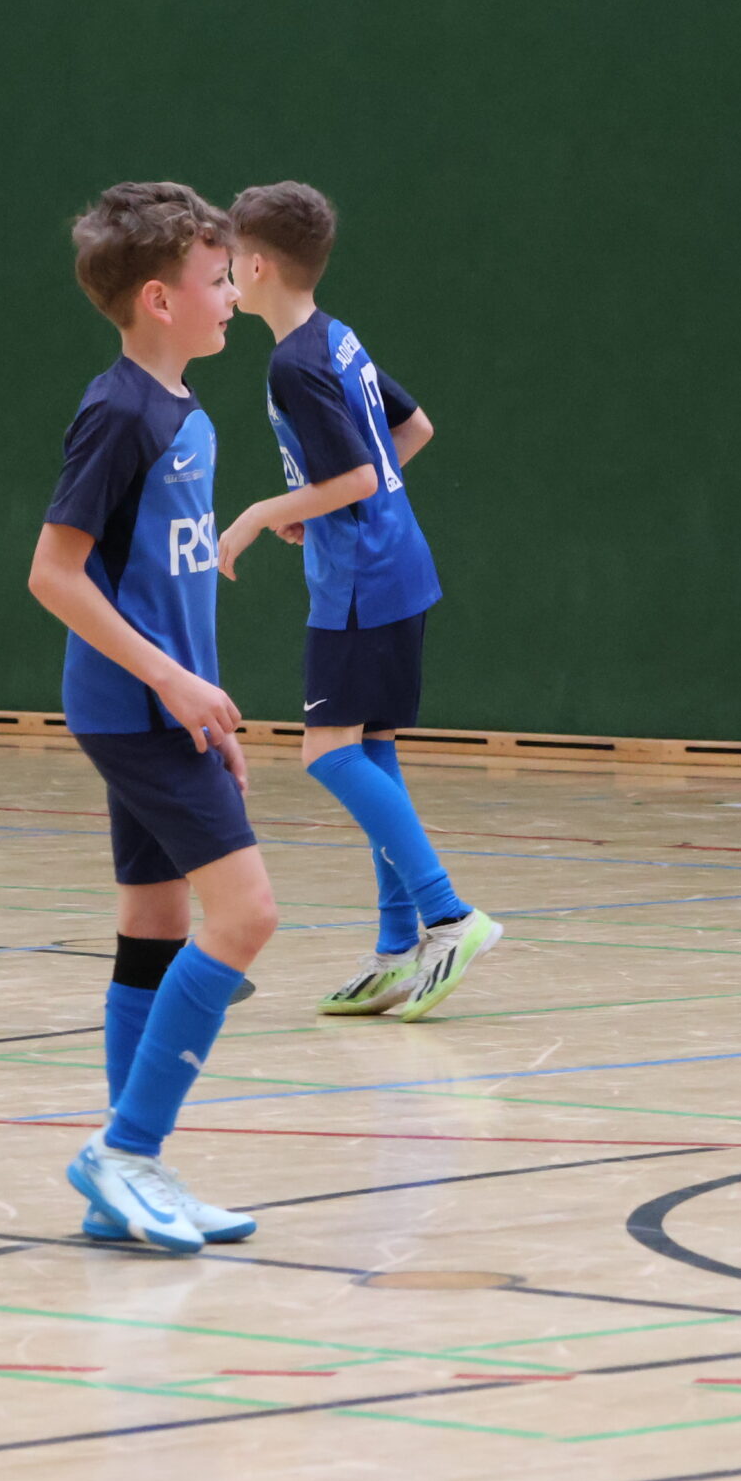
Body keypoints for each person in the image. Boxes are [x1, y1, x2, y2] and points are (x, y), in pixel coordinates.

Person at [27, 181, 272, 1254]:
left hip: (167, 711)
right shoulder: (119, 412)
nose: (233, 296)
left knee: (155, 926)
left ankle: (124, 1182)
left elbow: (169, 587)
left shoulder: (185, 412)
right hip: (132, 707)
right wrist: (171, 684)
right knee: (247, 915)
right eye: (218, 280)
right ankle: (124, 1149)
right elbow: (54, 573)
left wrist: (205, 706)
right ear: (160, 299)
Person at [217, 180, 500, 1021]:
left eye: (230, 261)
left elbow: (359, 475)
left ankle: (449, 915)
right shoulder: (337, 338)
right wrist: (324, 507)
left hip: (361, 584)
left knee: (327, 752)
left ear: (257, 267)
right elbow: (412, 431)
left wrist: (263, 512)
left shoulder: (292, 362)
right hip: (395, 563)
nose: (227, 276)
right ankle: (394, 948)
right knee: (370, 748)